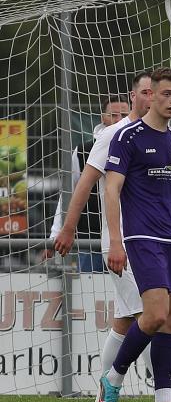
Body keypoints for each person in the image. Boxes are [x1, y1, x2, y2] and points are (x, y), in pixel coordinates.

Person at [51, 73, 171, 402]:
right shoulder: (126, 137)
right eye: (166, 94)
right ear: (149, 96)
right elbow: (109, 190)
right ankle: (111, 383)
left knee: (170, 320)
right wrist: (114, 240)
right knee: (151, 315)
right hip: (142, 238)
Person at [47, 95, 130, 272]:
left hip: (129, 238)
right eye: (113, 115)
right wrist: (56, 233)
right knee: (92, 291)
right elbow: (67, 193)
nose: (118, 120)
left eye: (124, 115)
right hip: (90, 240)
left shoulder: (138, 147)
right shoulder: (83, 151)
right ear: (102, 117)